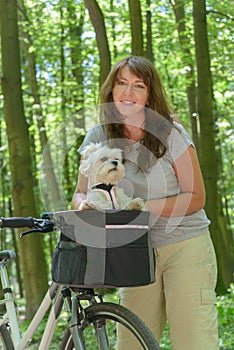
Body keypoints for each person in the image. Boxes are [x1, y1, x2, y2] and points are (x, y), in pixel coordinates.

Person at [72, 56, 219, 350]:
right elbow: (80, 192)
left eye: (138, 86)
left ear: (150, 94)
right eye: (122, 84)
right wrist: (85, 207)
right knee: (131, 343)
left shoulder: (171, 133)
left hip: (185, 244)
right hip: (135, 252)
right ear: (111, 90)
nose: (128, 93)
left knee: (194, 341)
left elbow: (196, 196)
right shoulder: (98, 136)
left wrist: (138, 209)